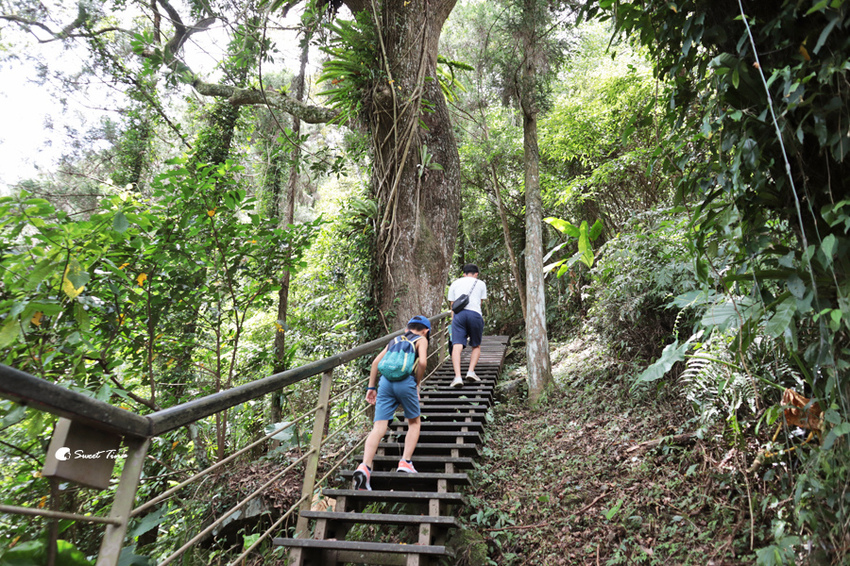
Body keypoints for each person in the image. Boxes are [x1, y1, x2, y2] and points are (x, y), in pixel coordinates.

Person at [353, 316, 431, 490]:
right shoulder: (421, 340)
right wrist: (417, 384)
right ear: (425, 330)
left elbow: (375, 363)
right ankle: (405, 462)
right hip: (406, 382)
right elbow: (423, 362)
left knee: (379, 427)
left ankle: (364, 467)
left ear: (407, 328)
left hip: (385, 383)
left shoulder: (395, 340)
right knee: (414, 422)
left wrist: (371, 387)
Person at [447, 264, 487, 388]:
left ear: (464, 274)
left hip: (459, 316)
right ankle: (470, 372)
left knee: (457, 346)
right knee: (476, 345)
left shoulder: (455, 283)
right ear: (476, 274)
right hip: (474, 314)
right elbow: (480, 303)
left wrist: (454, 322)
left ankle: (458, 377)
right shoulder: (480, 283)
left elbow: (453, 305)